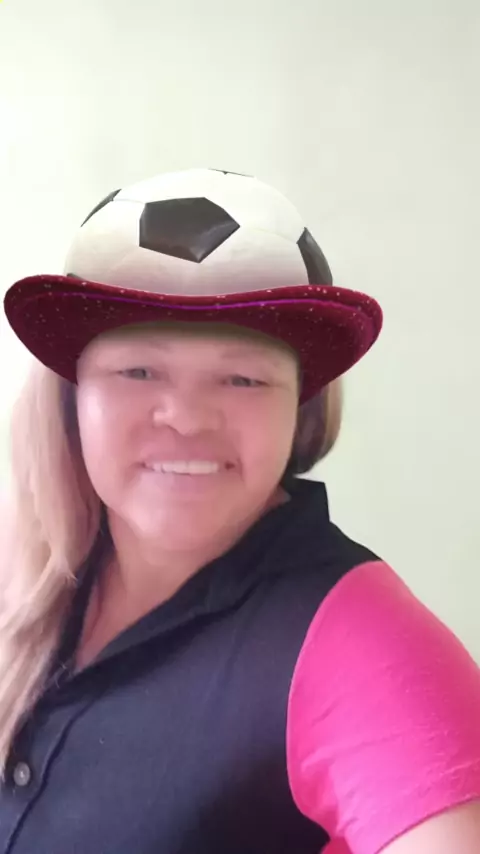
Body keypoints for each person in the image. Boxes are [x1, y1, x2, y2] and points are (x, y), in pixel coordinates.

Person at [1, 167, 479, 854]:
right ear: (71, 397)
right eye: (139, 370)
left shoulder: (365, 639)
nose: (187, 417)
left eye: (243, 378)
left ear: (300, 410)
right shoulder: (27, 566)